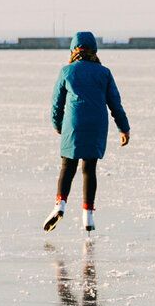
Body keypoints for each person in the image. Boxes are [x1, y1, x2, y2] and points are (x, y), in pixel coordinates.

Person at [45, 31, 130, 233]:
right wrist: (123, 127)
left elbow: (56, 104)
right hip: (96, 125)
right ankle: (88, 216)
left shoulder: (67, 71)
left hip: (73, 124)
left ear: (74, 50)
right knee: (89, 169)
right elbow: (115, 104)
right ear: (94, 50)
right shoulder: (104, 73)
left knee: (68, 166)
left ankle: (60, 205)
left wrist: (58, 125)